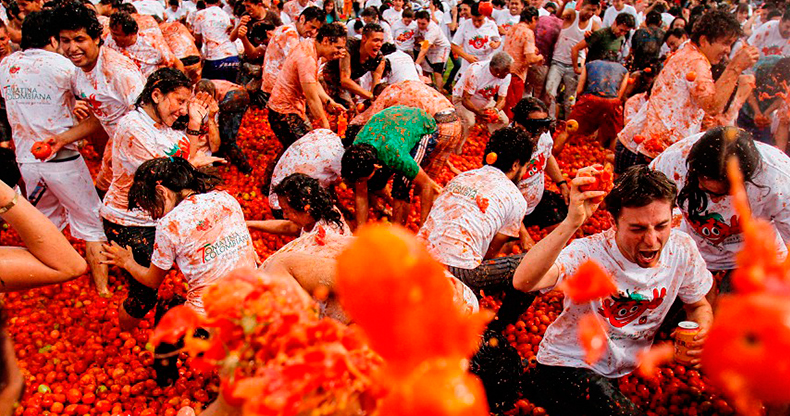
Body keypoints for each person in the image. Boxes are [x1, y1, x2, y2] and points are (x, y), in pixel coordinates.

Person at [513, 165, 714, 416]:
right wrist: (571, 223)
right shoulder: (589, 253)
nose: (652, 241)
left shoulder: (682, 249)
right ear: (613, 222)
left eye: (661, 226)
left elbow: (698, 305)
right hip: (569, 364)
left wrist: (702, 329)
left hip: (627, 366)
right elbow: (523, 282)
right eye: (638, 229)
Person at [0, 10, 110, 294]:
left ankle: (42, 288)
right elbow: (97, 106)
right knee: (91, 223)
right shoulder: (63, 66)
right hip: (62, 158)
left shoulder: (6, 65)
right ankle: (102, 291)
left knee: (44, 227)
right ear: (53, 38)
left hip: (26, 159)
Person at [101, 69, 221, 323]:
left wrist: (195, 130)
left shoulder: (165, 123)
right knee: (144, 295)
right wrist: (194, 129)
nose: (182, 109)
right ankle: (122, 339)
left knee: (155, 280)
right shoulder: (134, 128)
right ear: (156, 94)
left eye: (185, 103)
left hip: (158, 215)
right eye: (179, 101)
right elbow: (175, 175)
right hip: (130, 221)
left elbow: (184, 159)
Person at [101, 156, 256, 323]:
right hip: (254, 303)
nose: (154, 215)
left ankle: (175, 348)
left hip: (209, 320)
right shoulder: (225, 198)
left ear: (161, 191)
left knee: (167, 309)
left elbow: (152, 281)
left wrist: (127, 261)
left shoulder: (170, 224)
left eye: (151, 206)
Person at [650, 127, 790, 299]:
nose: (713, 201)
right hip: (697, 249)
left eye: (720, 194)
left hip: (753, 258)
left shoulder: (778, 178)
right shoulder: (672, 162)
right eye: (703, 187)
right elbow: (644, 213)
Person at [615, 10, 758, 173]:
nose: (727, 50)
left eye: (731, 44)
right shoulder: (695, 61)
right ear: (704, 40)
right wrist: (735, 67)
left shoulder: (690, 54)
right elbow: (712, 106)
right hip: (644, 149)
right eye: (725, 43)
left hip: (641, 146)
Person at [418, 126, 531, 295]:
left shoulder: (462, 177)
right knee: (530, 263)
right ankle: (499, 319)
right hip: (459, 271)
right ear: (516, 165)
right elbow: (491, 252)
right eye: (525, 167)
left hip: (417, 257)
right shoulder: (516, 198)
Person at [55, 1, 146, 194]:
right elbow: (102, 116)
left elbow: (146, 120)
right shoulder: (79, 70)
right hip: (119, 143)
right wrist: (61, 140)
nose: (72, 48)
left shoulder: (117, 72)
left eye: (79, 39)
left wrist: (126, 154)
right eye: (66, 41)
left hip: (141, 147)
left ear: (96, 38)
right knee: (104, 193)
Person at [342, 105, 442, 225]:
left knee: (401, 184)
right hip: (394, 121)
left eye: (362, 179)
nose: (360, 182)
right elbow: (361, 194)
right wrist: (359, 231)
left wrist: (423, 228)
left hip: (422, 124)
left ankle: (399, 228)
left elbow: (426, 185)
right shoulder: (357, 150)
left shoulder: (396, 155)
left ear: (376, 166)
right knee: (377, 183)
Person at [347, 79, 462, 176]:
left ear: (377, 96)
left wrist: (350, 128)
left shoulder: (387, 94)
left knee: (409, 176)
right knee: (430, 175)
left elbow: (370, 120)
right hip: (456, 123)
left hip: (437, 126)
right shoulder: (408, 85)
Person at [266, 22, 346, 146]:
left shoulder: (310, 46)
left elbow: (313, 82)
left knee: (291, 152)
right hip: (284, 113)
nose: (340, 52)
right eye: (338, 47)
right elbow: (312, 99)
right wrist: (326, 128)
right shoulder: (307, 58)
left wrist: (329, 102)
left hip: (287, 110)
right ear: (325, 41)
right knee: (302, 150)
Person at [511, 97, 569, 243]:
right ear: (518, 124)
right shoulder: (507, 146)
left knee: (561, 235)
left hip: (536, 201)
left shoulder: (543, 134)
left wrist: (561, 183)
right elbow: (504, 194)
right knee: (508, 250)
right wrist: (524, 233)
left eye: (543, 126)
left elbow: (547, 156)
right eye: (534, 127)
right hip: (510, 208)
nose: (539, 132)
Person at [557, 54, 629, 152]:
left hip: (591, 98)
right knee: (614, 135)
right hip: (612, 101)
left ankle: (551, 156)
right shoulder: (624, 70)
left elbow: (579, 90)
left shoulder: (590, 65)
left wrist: (582, 104)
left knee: (568, 130)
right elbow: (619, 95)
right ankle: (611, 164)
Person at [267, 129, 345, 214]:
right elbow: (357, 185)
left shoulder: (326, 133)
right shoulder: (339, 157)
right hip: (287, 205)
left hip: (280, 192)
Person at [544, 0, 601, 118]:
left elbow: (597, 44)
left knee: (570, 99)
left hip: (575, 65)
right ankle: (551, 122)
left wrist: (589, 41)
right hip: (557, 62)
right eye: (589, 9)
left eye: (594, 10)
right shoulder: (572, 14)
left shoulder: (594, 24)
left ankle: (567, 125)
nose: (591, 13)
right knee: (550, 93)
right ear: (582, 7)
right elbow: (558, 16)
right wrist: (564, 4)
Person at [259, 6, 325, 104]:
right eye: (312, 27)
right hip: (275, 88)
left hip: (283, 86)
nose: (313, 32)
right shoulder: (289, 33)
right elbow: (300, 65)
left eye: (317, 29)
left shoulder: (301, 34)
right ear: (302, 19)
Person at [452, 52, 513, 151]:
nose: (509, 73)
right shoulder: (475, 71)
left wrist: (495, 111)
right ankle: (456, 149)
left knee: (504, 121)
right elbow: (465, 99)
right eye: (506, 71)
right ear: (497, 70)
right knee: (469, 122)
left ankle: (491, 143)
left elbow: (502, 99)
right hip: (461, 97)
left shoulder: (506, 75)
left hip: (485, 100)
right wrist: (478, 112)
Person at [195, 79, 253, 174]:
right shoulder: (201, 88)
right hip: (241, 93)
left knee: (227, 139)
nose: (206, 102)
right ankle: (222, 157)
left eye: (209, 99)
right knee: (223, 135)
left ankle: (245, 168)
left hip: (234, 97)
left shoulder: (213, 99)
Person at [323, 22, 386, 106]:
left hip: (350, 85)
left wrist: (373, 99)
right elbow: (344, 80)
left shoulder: (379, 59)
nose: (379, 45)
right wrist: (369, 95)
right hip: (328, 80)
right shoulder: (349, 47)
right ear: (364, 39)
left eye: (381, 41)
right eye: (375, 40)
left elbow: (376, 88)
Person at [106, 11, 184, 77]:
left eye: (117, 35)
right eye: (112, 33)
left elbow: (177, 63)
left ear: (131, 34)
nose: (113, 37)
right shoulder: (109, 40)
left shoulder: (151, 44)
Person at [737, 56, 790, 147]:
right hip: (746, 107)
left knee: (763, 145)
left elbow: (782, 97)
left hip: (765, 117)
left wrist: (767, 112)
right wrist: (756, 111)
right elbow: (747, 85)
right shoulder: (764, 65)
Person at [504, 6, 543, 119]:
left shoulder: (512, 28)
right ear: (533, 18)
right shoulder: (528, 32)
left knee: (505, 105)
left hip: (505, 71)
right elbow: (531, 59)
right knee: (513, 108)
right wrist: (539, 57)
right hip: (516, 74)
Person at [570, 12, 635, 72]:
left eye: (626, 32)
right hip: (592, 72)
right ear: (615, 23)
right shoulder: (600, 34)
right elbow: (575, 48)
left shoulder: (622, 38)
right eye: (621, 30)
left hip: (608, 73)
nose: (622, 33)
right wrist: (576, 68)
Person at [193, 0, 240, 82]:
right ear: (218, 2)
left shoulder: (200, 14)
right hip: (233, 57)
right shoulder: (225, 14)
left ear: (204, 1)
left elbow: (198, 40)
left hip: (215, 58)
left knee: (210, 88)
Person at [451, 2, 502, 77]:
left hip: (486, 62)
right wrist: (466, 56)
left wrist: (495, 45)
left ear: (484, 16)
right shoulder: (465, 25)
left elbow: (497, 40)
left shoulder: (491, 24)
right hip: (469, 63)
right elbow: (454, 45)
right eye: (474, 20)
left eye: (479, 20)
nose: (476, 23)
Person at [414, 9, 451, 90]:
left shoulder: (432, 29)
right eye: (419, 23)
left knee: (437, 72)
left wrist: (416, 64)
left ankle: (439, 92)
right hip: (430, 47)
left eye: (423, 24)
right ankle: (427, 90)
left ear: (428, 21)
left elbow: (424, 49)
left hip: (440, 48)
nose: (420, 26)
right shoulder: (417, 27)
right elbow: (416, 39)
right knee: (425, 71)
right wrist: (422, 42)